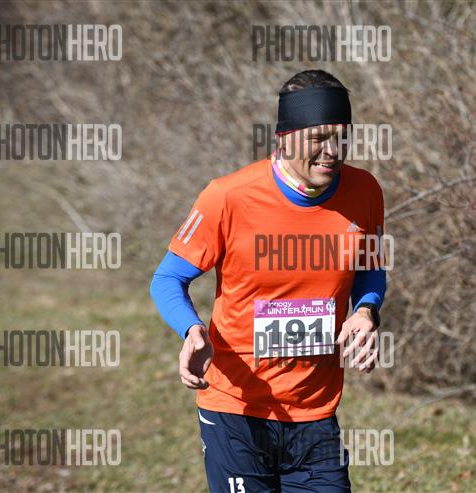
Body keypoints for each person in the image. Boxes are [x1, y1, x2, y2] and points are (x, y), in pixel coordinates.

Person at [150, 69, 386, 492]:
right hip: (236, 409)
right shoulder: (228, 197)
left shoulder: (364, 191)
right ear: (284, 139)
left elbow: (369, 266)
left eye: (341, 137)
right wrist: (191, 329)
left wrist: (366, 310)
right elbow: (168, 278)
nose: (333, 152)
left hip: (315, 412)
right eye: (319, 139)